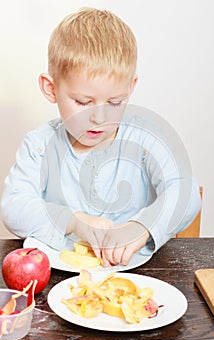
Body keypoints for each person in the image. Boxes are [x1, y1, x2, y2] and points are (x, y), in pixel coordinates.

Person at [1, 7, 201, 267]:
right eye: (83, 102)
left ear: (130, 88)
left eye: (115, 102)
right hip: (58, 279)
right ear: (51, 89)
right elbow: (14, 208)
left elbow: (185, 191)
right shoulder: (39, 144)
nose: (99, 118)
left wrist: (143, 226)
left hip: (135, 275)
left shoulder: (145, 139)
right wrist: (72, 221)